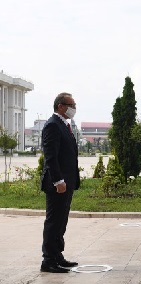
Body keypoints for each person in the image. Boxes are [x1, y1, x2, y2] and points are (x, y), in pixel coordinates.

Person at [40, 92, 80, 273]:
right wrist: (58, 180)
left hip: (67, 182)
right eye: (71, 105)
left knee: (61, 221)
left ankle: (57, 256)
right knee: (54, 221)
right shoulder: (52, 126)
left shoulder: (65, 125)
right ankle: (48, 260)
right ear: (60, 106)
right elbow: (51, 157)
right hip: (58, 183)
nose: (74, 109)